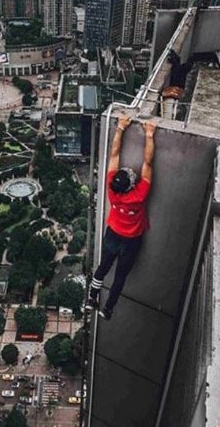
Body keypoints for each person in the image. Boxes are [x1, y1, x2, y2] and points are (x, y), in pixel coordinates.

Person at [87, 115, 156, 321]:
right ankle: (108, 308)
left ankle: (92, 297)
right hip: (130, 241)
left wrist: (120, 128)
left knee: (102, 268)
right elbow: (148, 162)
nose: (130, 171)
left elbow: (114, 154)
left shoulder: (111, 190)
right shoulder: (139, 195)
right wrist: (149, 134)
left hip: (112, 235)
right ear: (131, 186)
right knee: (119, 277)